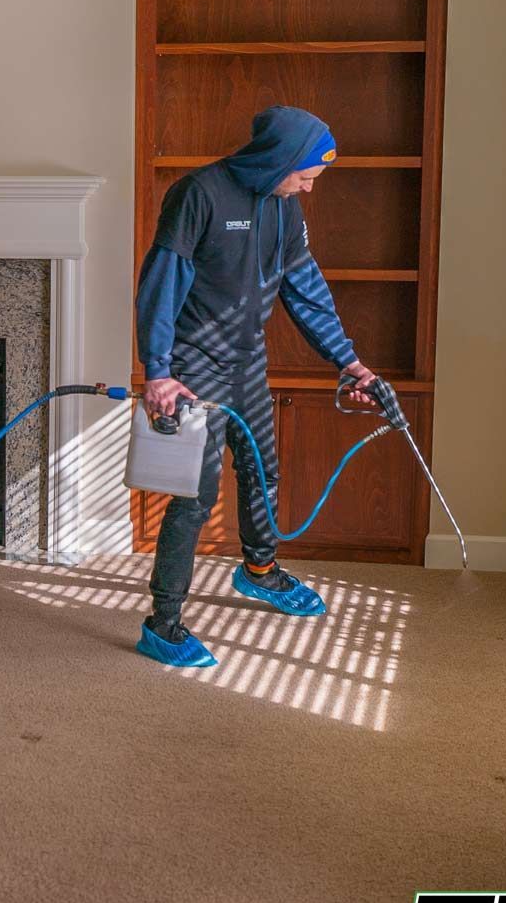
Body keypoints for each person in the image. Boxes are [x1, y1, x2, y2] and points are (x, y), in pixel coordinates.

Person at [133, 106, 377, 669]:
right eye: (305, 176)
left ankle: (259, 571)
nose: (308, 188)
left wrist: (348, 361)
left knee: (262, 472)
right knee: (194, 498)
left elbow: (305, 287)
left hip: (247, 362)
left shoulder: (284, 206)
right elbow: (161, 283)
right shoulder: (199, 194)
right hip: (192, 368)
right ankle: (162, 623)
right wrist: (158, 371)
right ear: (278, 160)